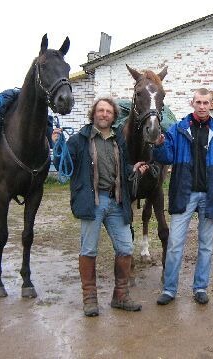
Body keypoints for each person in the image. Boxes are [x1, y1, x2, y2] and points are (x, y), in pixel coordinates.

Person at [52, 97, 149, 317]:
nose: (104, 114)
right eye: (100, 110)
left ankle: (120, 296)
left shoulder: (118, 140)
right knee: (88, 250)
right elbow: (61, 164)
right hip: (92, 202)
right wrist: (56, 145)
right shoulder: (79, 140)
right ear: (93, 113)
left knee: (125, 247)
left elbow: (122, 168)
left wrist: (133, 168)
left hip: (116, 202)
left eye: (108, 111)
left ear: (113, 116)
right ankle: (90, 298)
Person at [153, 88, 213, 305]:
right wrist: (159, 144)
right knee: (176, 243)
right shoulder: (178, 129)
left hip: (209, 194)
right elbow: (167, 156)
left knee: (206, 244)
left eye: (206, 102)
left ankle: (200, 288)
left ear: (211, 104)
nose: (202, 106)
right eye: (199, 102)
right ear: (192, 103)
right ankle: (169, 290)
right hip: (184, 193)